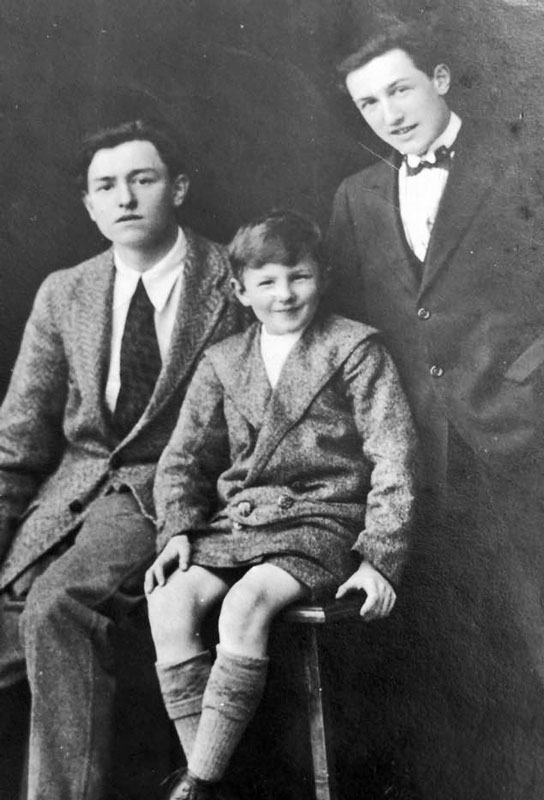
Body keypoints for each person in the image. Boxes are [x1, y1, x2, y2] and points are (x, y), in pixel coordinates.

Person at [327, 17, 544, 800]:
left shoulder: (522, 162)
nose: (388, 114)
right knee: (456, 657)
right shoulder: (355, 196)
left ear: (441, 80)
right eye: (368, 103)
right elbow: (350, 325)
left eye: (400, 90)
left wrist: (529, 381)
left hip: (522, 435)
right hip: (419, 453)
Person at [0, 117, 242, 800]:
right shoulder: (65, 291)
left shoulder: (235, 281)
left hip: (165, 496)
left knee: (60, 607)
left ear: (179, 187)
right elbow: (18, 439)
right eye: (106, 186)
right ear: (89, 204)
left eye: (143, 179)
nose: (125, 198)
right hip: (64, 499)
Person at [145, 210, 417, 800]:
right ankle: (206, 775)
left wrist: (380, 556)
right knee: (168, 602)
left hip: (324, 520)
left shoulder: (354, 348)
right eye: (266, 281)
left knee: (245, 603)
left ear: (323, 276)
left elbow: (393, 456)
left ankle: (199, 784)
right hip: (243, 520)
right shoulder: (223, 360)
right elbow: (182, 459)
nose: (285, 294)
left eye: (299, 276)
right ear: (240, 291)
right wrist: (177, 530)